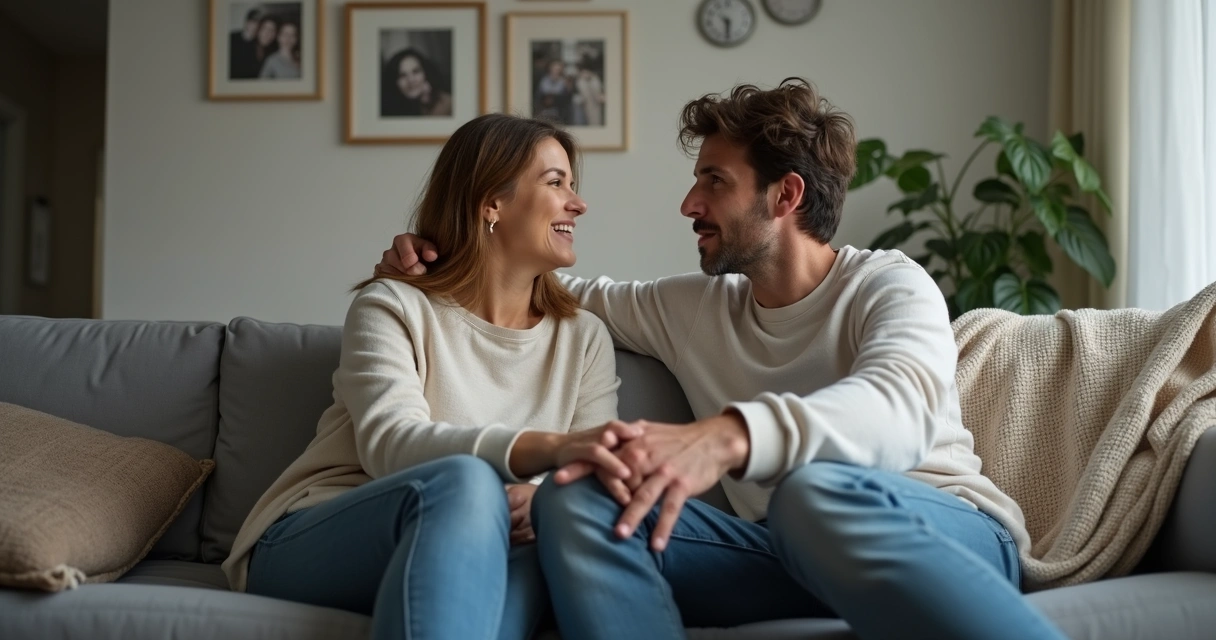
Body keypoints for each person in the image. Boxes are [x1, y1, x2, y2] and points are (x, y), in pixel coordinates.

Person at [376, 78, 1070, 640]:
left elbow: (900, 408)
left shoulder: (888, 284)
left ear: (786, 195)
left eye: (714, 181)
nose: (689, 203)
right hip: (776, 550)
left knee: (810, 492)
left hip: (942, 533)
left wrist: (731, 435)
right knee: (578, 495)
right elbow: (538, 286)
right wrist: (438, 253)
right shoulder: (692, 308)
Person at [222, 113, 638, 640]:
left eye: (572, 186)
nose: (578, 204)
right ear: (492, 203)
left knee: (549, 554)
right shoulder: (391, 305)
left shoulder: (583, 337)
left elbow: (589, 474)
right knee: (467, 483)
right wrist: (548, 451)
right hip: (324, 533)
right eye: (556, 183)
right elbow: (389, 444)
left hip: (501, 541)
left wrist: (547, 500)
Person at [381, 48, 453, 117]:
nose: (411, 80)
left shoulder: (448, 104)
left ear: (426, 73)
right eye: (402, 75)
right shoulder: (387, 111)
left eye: (416, 71)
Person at [228, 7, 264, 80]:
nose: (256, 26)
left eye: (259, 24)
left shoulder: (258, 45)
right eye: (253, 22)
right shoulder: (232, 37)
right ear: (247, 22)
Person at [574, 60, 605, 126]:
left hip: (595, 105)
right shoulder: (580, 81)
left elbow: (598, 94)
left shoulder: (595, 80)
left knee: (595, 121)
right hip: (584, 106)